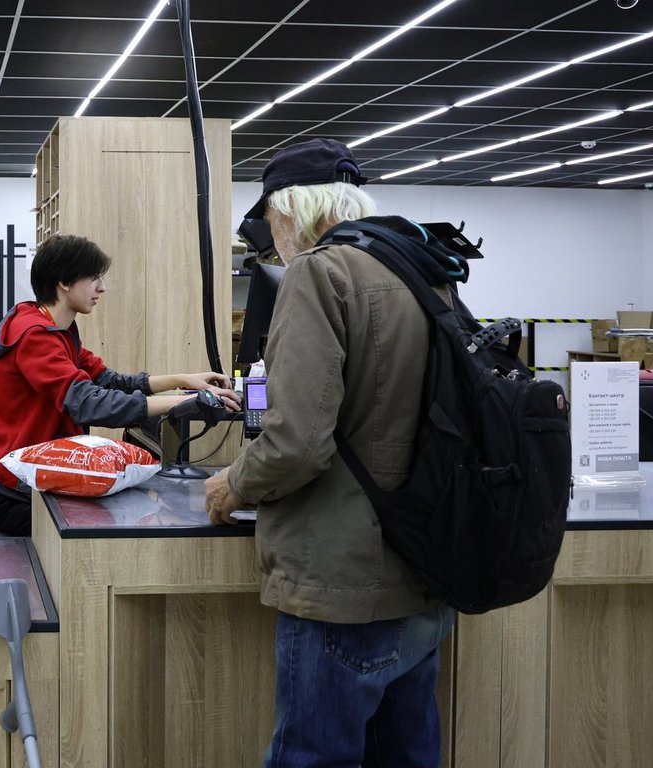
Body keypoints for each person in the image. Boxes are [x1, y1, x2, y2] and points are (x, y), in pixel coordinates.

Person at [203, 138, 457, 767]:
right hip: (426, 566)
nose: (272, 239)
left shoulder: (319, 273)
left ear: (291, 209)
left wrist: (233, 483)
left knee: (313, 756)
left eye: (271, 221)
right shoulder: (420, 267)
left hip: (342, 583)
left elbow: (294, 443)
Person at [0, 233, 241, 536]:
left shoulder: (58, 329)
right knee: (109, 528)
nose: (102, 287)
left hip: (23, 479)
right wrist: (185, 401)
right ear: (64, 282)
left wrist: (184, 381)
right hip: (4, 492)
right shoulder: (36, 335)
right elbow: (88, 403)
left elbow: (109, 381)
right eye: (94, 278)